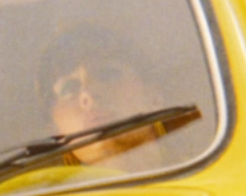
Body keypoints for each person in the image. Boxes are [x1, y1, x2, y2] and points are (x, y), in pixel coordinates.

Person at [35, 24, 172, 172]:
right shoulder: (47, 195)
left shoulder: (200, 178)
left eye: (107, 75)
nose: (88, 94)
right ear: (55, 130)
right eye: (69, 88)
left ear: (154, 96)